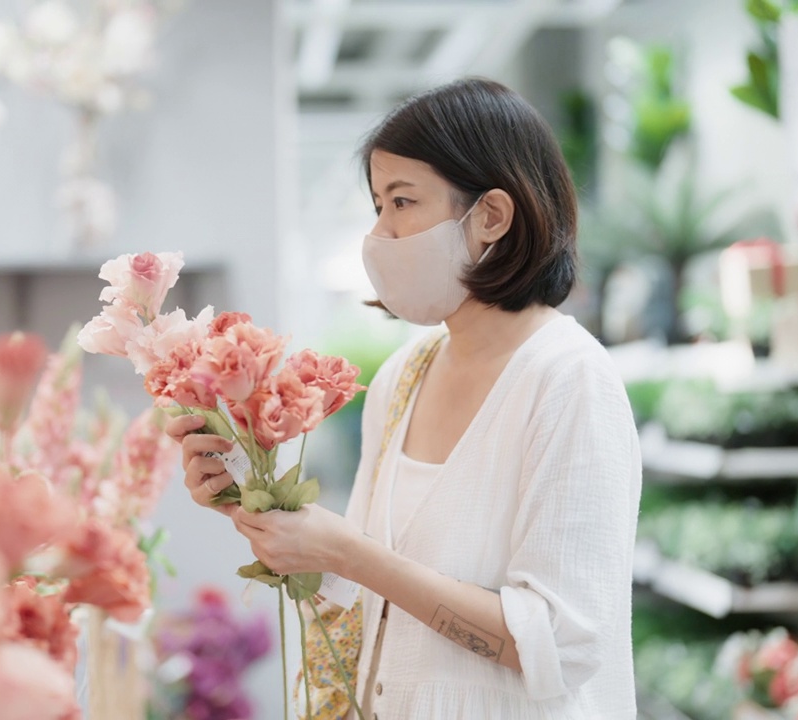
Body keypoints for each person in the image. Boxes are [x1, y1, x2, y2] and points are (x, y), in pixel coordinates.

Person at [166, 78, 641, 719]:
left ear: (492, 217)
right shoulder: (404, 375)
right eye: (377, 206)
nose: (380, 233)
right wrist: (250, 501)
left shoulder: (567, 381)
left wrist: (349, 554)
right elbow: (362, 597)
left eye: (402, 201)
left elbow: (561, 641)